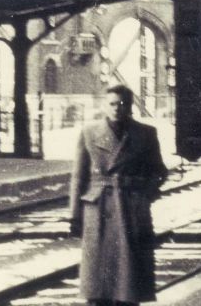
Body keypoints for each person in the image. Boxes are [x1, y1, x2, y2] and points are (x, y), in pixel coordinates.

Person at [68, 85, 168, 306]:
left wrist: (144, 195)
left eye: (121, 104)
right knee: (98, 281)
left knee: (128, 280)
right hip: (98, 209)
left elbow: (159, 172)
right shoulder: (89, 132)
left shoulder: (145, 133)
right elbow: (78, 177)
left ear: (130, 106)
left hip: (130, 209)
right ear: (104, 105)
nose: (116, 108)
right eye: (112, 103)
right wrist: (74, 215)